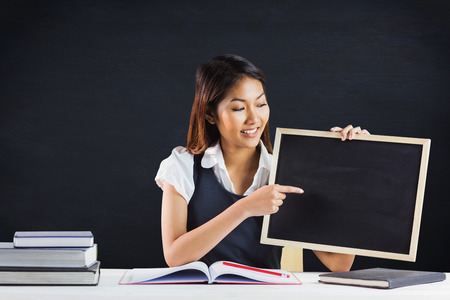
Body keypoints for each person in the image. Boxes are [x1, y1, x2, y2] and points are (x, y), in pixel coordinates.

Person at [155, 54, 369, 272]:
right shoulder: (183, 166)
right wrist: (245, 208)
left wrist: (349, 167)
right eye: (239, 108)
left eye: (261, 104)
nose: (254, 119)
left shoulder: (286, 170)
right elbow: (174, 256)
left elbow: (339, 263)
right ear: (210, 114)